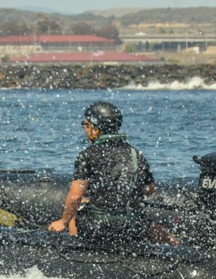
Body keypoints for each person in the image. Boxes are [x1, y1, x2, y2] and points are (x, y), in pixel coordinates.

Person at [48, 101, 177, 246]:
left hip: (100, 229)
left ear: (95, 129)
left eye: (86, 125)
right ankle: (178, 249)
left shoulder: (88, 155)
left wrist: (62, 222)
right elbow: (150, 189)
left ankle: (77, 249)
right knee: (140, 218)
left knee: (78, 205)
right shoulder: (135, 154)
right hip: (133, 228)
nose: (84, 129)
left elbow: (75, 196)